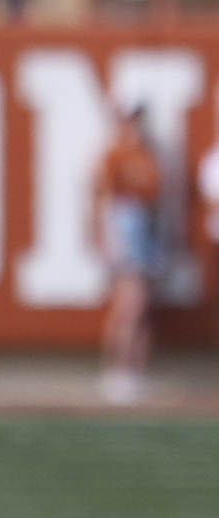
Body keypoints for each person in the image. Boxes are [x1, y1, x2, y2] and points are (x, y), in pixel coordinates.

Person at [98, 104, 162, 406]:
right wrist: (110, 238)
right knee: (130, 304)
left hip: (145, 229)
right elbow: (105, 198)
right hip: (126, 226)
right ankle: (119, 372)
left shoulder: (148, 155)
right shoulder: (117, 156)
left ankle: (135, 372)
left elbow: (154, 200)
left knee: (142, 306)